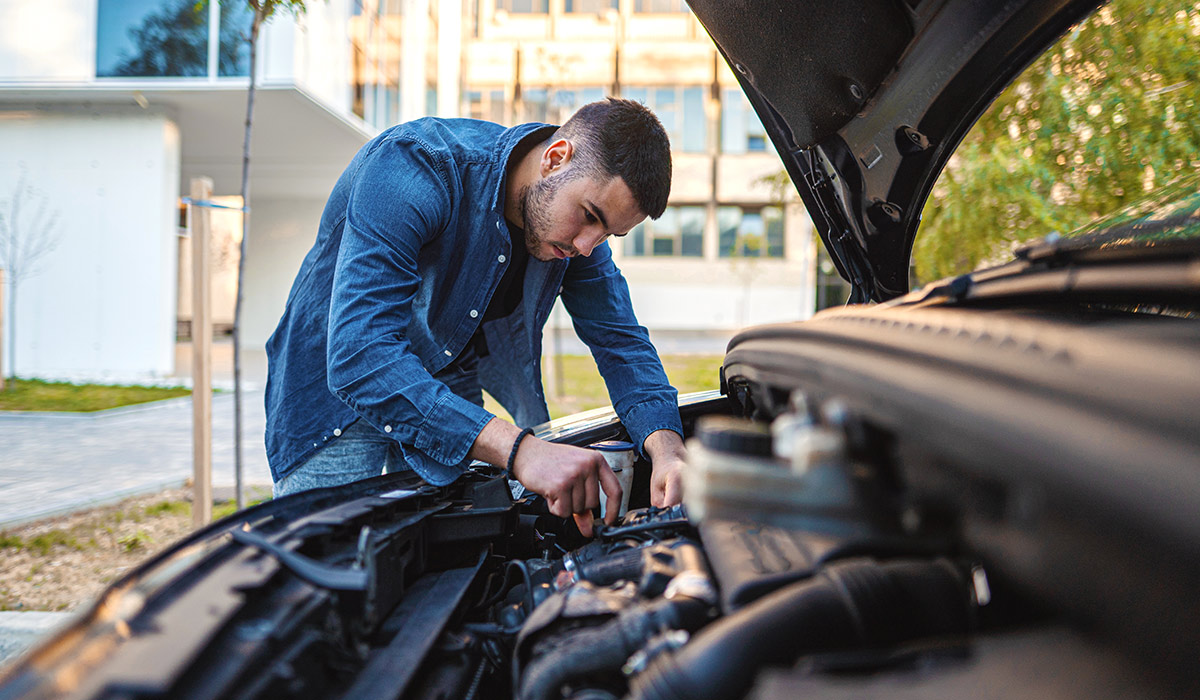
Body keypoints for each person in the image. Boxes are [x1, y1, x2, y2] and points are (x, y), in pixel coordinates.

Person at [264, 98, 687, 535]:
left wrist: (668, 449)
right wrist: (522, 450)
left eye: (607, 234)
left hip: (444, 390)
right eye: (589, 217)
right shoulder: (415, 166)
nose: (587, 246)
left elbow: (620, 340)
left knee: (441, 571)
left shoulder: (577, 234)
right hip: (335, 407)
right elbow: (360, 356)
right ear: (556, 158)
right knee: (328, 577)